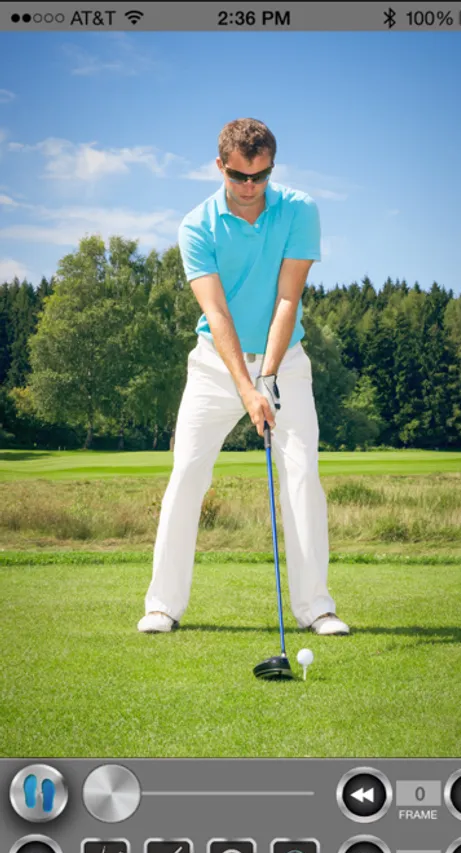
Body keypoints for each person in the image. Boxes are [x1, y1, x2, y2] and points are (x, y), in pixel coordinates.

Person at [138, 118, 349, 637]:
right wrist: (247, 387)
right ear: (220, 167)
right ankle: (163, 606)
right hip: (216, 363)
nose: (250, 187)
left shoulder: (299, 209)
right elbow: (217, 313)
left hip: (285, 360)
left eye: (260, 176)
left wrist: (269, 377)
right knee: (187, 475)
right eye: (238, 176)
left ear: (272, 168)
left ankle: (316, 608)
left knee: (302, 477)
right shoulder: (196, 225)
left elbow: (288, 298)